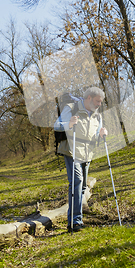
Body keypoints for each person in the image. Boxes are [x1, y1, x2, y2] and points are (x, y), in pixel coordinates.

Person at [55, 87, 108, 232]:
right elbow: (56, 125)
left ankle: (77, 216)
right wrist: (69, 124)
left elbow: (96, 133)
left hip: (87, 153)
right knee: (76, 183)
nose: (99, 104)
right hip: (72, 151)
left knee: (83, 186)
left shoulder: (97, 116)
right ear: (89, 98)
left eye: (101, 102)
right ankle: (74, 222)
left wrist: (102, 133)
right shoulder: (71, 108)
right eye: (97, 101)